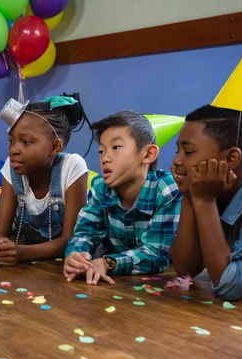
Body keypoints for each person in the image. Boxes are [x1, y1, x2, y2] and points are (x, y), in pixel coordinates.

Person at [170, 50, 242, 300]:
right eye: (177, 150)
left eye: (188, 151)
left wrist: (204, 201)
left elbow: (229, 287)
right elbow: (186, 269)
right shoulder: (205, 188)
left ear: (232, 158)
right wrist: (190, 197)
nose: (177, 160)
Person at [64, 110, 181, 285]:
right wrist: (77, 255)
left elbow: (156, 253)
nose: (105, 158)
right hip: (113, 283)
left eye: (116, 147)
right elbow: (85, 233)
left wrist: (108, 263)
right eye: (101, 151)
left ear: (148, 154)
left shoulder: (165, 190)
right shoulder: (100, 187)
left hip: (159, 284)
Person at [0, 94, 89, 266]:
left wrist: (21, 253)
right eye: (11, 141)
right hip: (31, 266)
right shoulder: (12, 167)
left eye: (26, 142)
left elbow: (71, 239)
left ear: (55, 147)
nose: (14, 149)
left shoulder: (72, 166)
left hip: (68, 265)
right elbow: (1, 230)